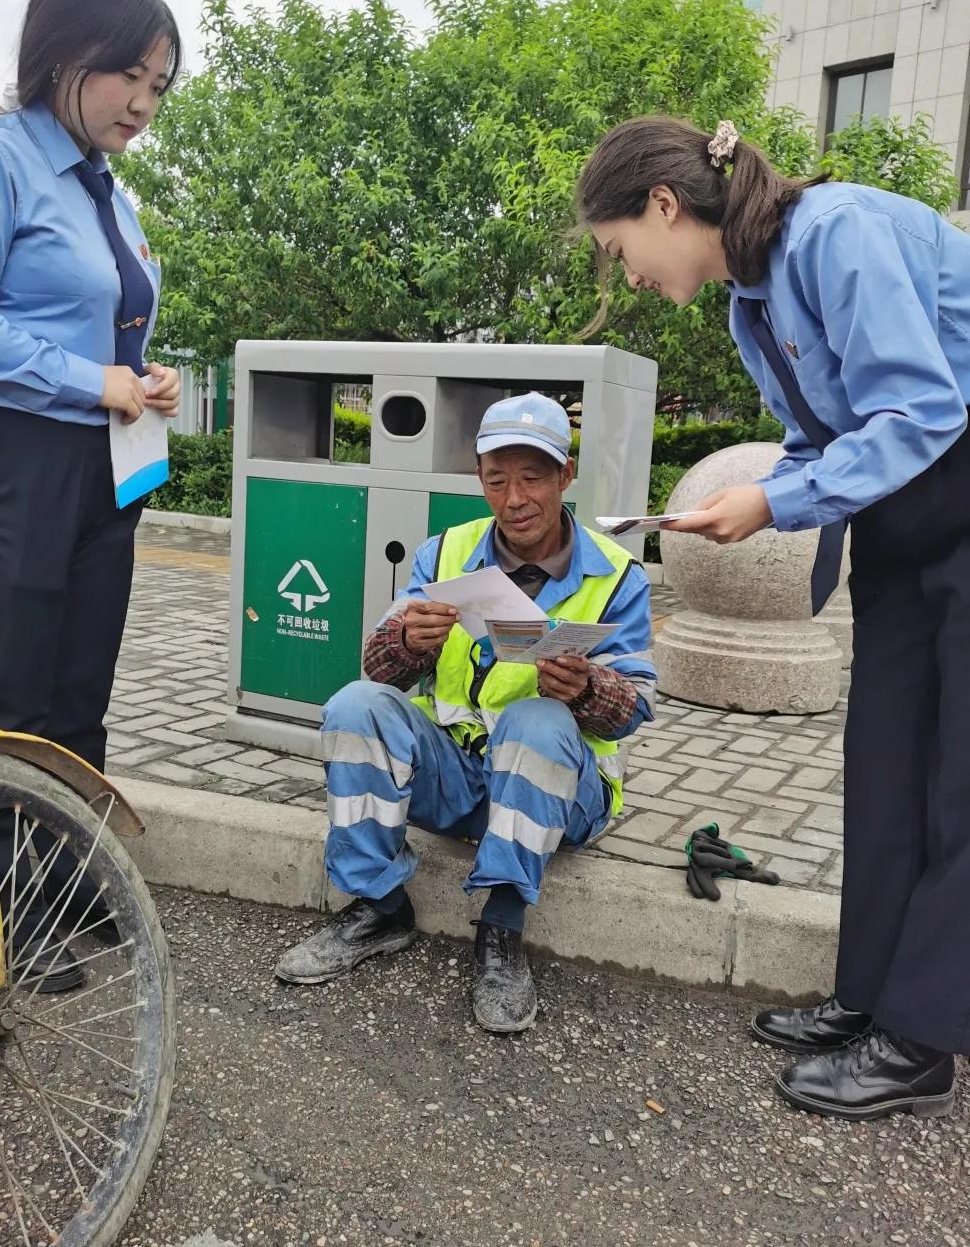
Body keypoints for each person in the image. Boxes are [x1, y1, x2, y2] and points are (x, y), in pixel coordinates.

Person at [575, 114, 970, 1122]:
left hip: (954, 477)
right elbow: (813, 441)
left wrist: (777, 502)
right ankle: (870, 997)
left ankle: (923, 1040)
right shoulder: (751, 305)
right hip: (901, 514)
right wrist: (738, 506)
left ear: (664, 205)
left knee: (958, 779)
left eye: (621, 251)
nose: (629, 277)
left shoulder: (836, 232)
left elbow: (922, 409)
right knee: (885, 760)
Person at [0, 0, 182, 993]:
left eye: (160, 86)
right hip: (10, 458)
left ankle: (61, 884)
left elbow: (99, 320)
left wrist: (136, 381)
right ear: (70, 54)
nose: (146, 105)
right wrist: (92, 380)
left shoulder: (107, 186)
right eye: (134, 78)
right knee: (12, 691)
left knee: (79, 690)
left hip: (102, 462)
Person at [275, 393, 657, 1032]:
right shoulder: (445, 553)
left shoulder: (617, 576)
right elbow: (379, 667)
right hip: (458, 783)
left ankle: (501, 930)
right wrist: (405, 643)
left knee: (538, 719)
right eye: (497, 480)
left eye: (533, 478)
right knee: (355, 706)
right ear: (479, 480)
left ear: (565, 476)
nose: (515, 499)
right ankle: (380, 907)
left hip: (558, 797)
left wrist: (587, 688)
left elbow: (635, 708)